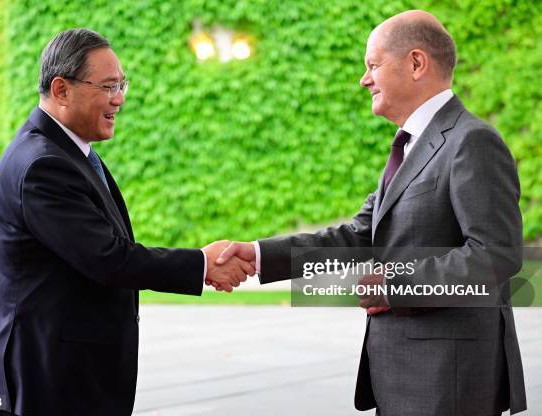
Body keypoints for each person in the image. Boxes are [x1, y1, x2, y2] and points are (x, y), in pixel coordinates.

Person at [215, 10, 527, 416]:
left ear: (416, 63)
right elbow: (358, 237)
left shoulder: (472, 141)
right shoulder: (412, 144)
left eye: (373, 65)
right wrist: (257, 255)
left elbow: (496, 255)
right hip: (403, 377)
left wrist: (396, 285)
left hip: (447, 381)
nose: (364, 80)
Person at [0, 28, 253, 416]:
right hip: (47, 380)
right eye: (109, 86)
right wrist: (203, 264)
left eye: (121, 84)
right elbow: (107, 258)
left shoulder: (65, 151)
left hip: (68, 374)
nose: (120, 99)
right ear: (61, 90)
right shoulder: (44, 164)